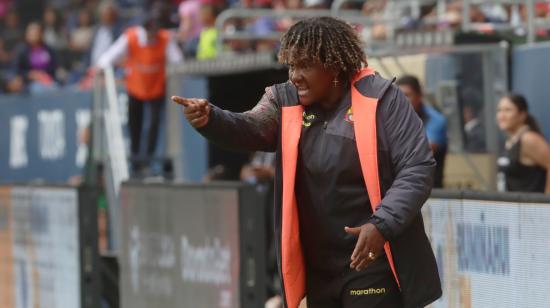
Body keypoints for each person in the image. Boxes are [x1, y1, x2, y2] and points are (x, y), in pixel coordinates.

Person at [172, 17, 441, 308]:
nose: (295, 76)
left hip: (373, 259)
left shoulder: (382, 98)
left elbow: (417, 168)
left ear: (334, 65)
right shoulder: (284, 100)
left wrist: (381, 225)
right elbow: (250, 127)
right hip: (319, 267)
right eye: (291, 65)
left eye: (305, 65)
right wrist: (211, 119)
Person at [97, 12, 183, 176]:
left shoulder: (164, 38)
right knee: (134, 124)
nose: (152, 34)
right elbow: (108, 57)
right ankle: (136, 160)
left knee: (154, 125)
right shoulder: (131, 37)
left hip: (157, 88)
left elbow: (177, 60)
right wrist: (103, 68)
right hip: (135, 88)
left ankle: (148, 160)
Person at [396, 75, 448, 188]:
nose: (402, 100)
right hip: (400, 188)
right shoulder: (395, 119)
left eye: (407, 95)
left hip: (430, 190)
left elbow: (421, 153)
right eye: (399, 95)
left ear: (419, 96)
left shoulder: (436, 120)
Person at [496, 94, 550, 193]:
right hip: (512, 207)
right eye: (499, 110)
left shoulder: (528, 139)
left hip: (532, 207)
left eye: (508, 110)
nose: (501, 116)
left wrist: (546, 203)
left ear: (522, 115)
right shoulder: (510, 141)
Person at [11, 22, 59, 93]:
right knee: (37, 89)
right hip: (30, 83)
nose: (33, 35)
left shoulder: (49, 49)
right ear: (27, 35)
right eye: (31, 33)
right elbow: (17, 70)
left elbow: (54, 67)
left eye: (36, 33)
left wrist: (43, 74)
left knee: (55, 88)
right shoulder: (21, 51)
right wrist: (30, 75)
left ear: (41, 34)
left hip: (48, 80)